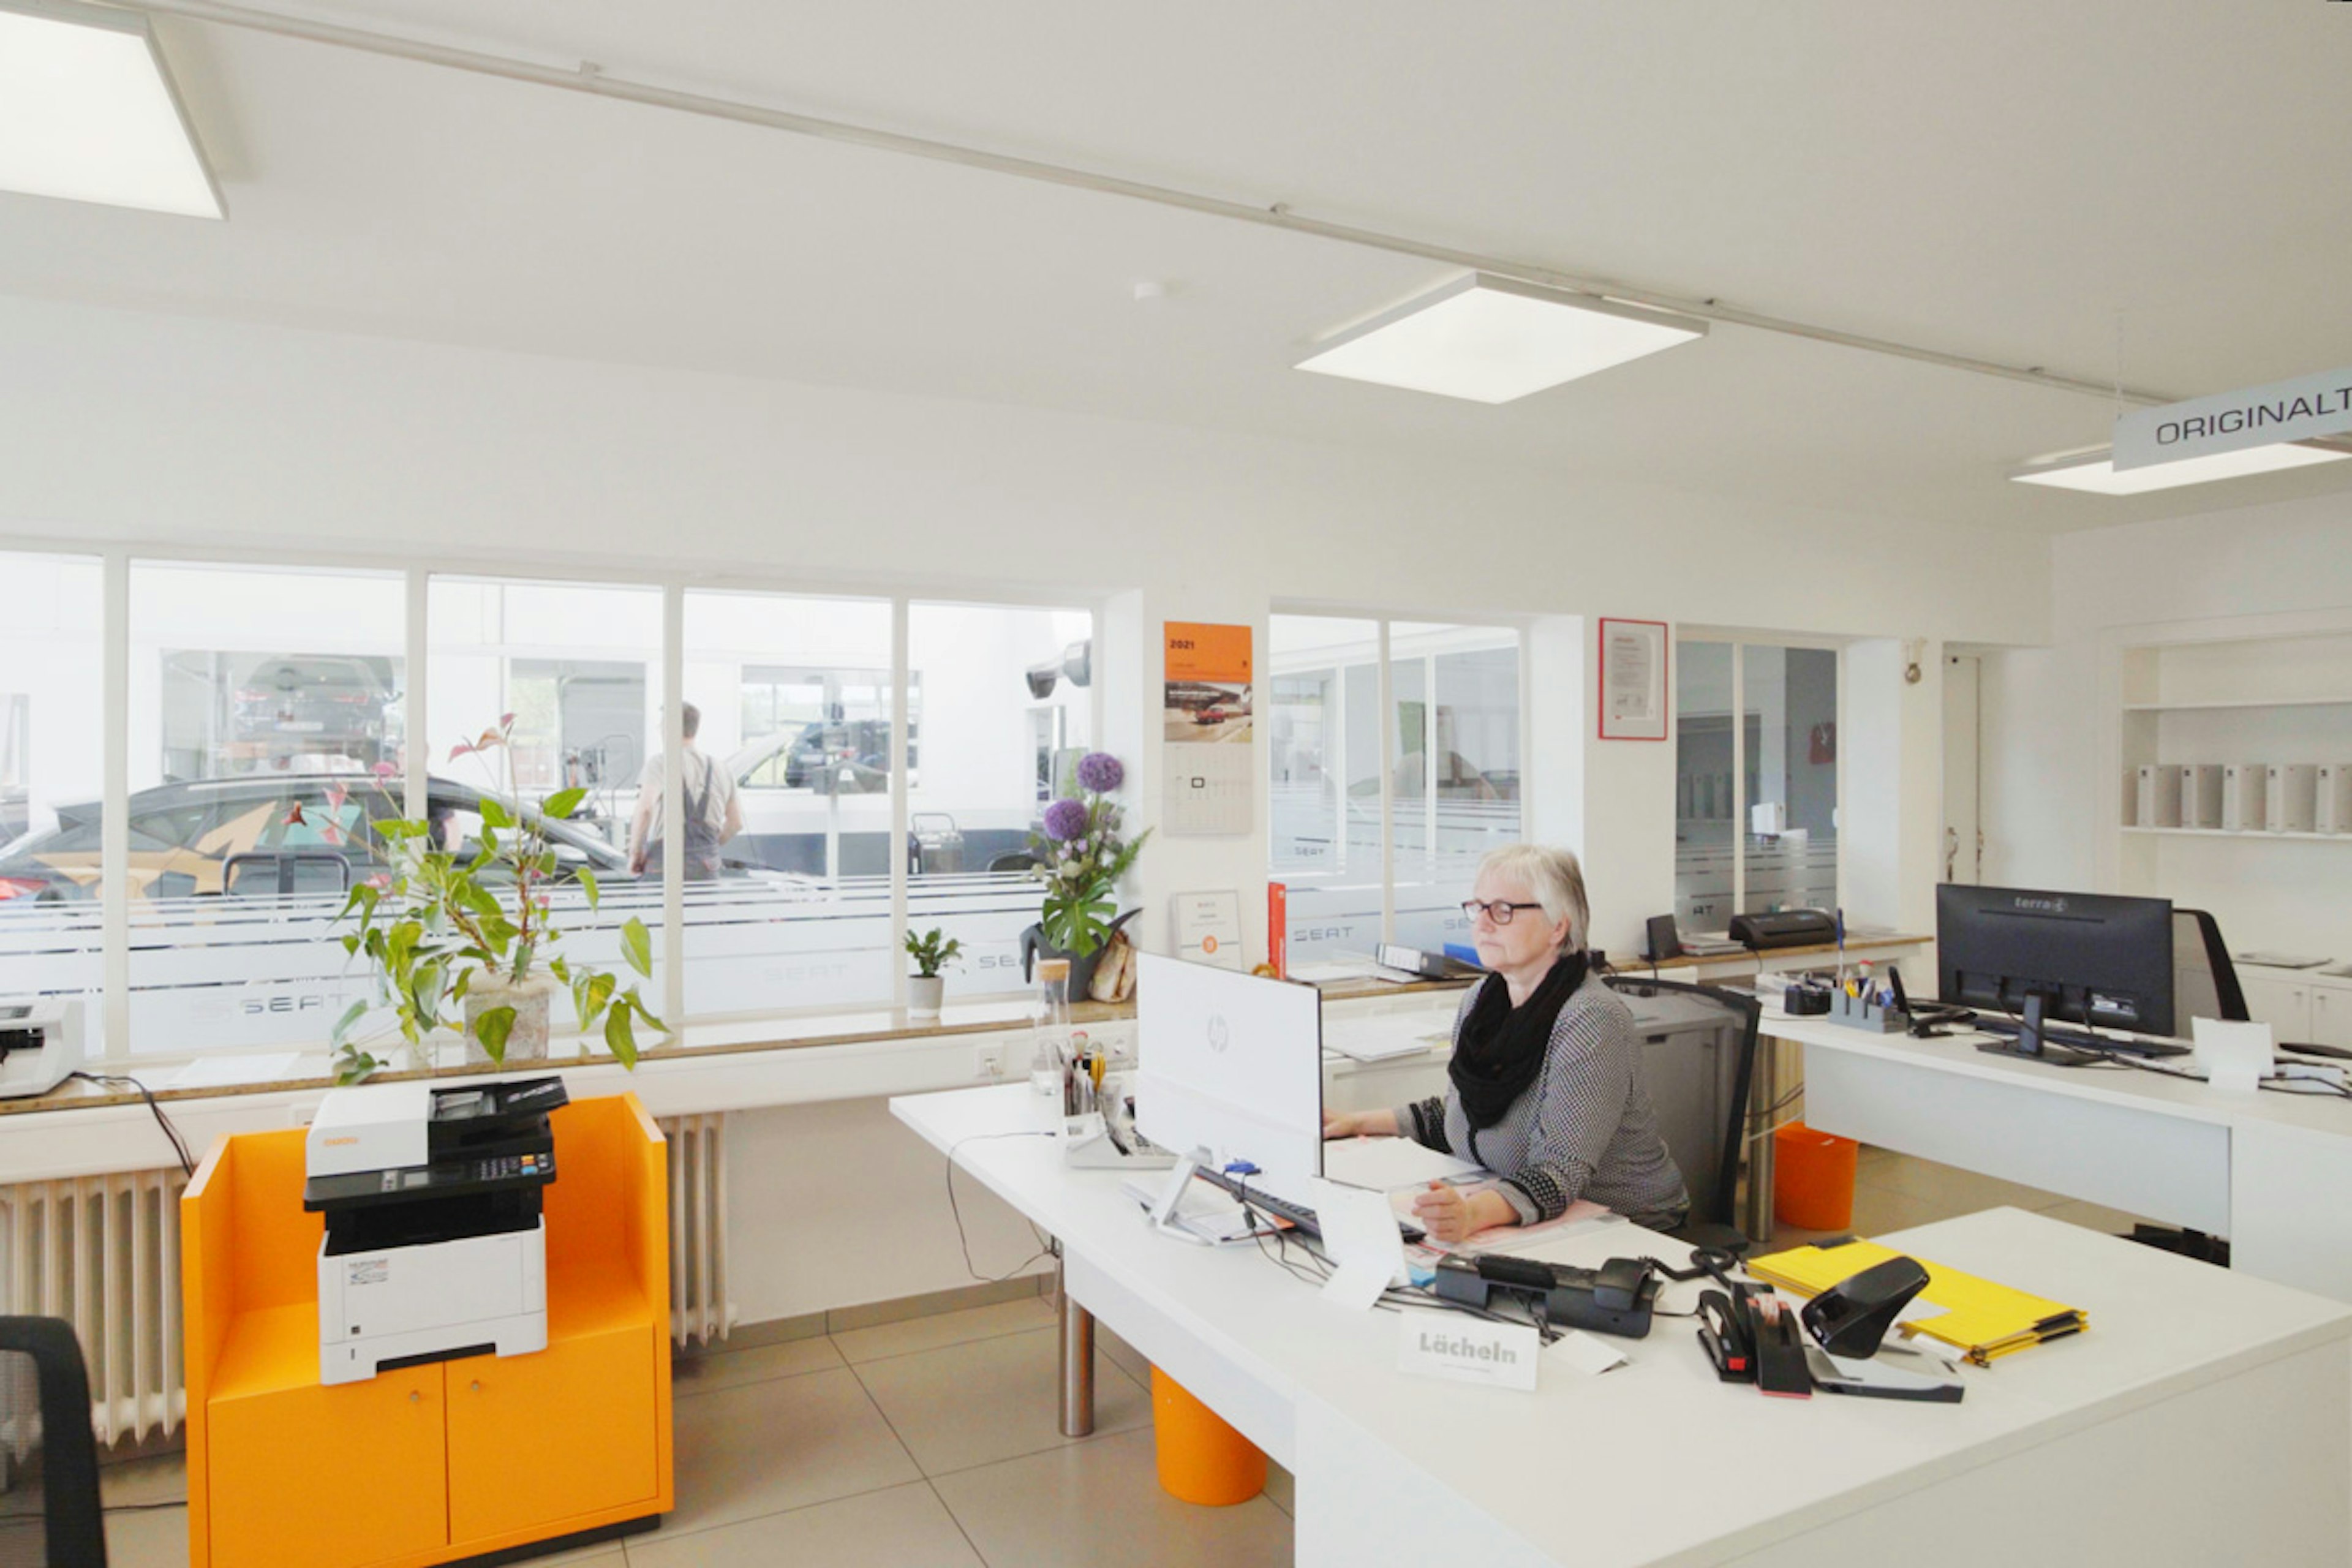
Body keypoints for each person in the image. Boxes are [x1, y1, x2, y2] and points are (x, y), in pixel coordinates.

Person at [1322, 843, 1688, 1242]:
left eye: (1503, 910)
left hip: (1628, 1226)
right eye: (1478, 908)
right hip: (1525, 1210)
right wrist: (1357, 1122)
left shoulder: (1590, 1019)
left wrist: (1471, 1214)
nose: (1482, 924)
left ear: (1558, 926)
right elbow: (1460, 1114)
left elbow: (1559, 1172)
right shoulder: (1482, 1000)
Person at [627, 703, 743, 881]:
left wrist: (635, 853)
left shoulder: (660, 763)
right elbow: (736, 823)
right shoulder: (722, 769)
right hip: (707, 867)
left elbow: (645, 810)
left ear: (669, 728)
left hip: (664, 864)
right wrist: (707, 850)